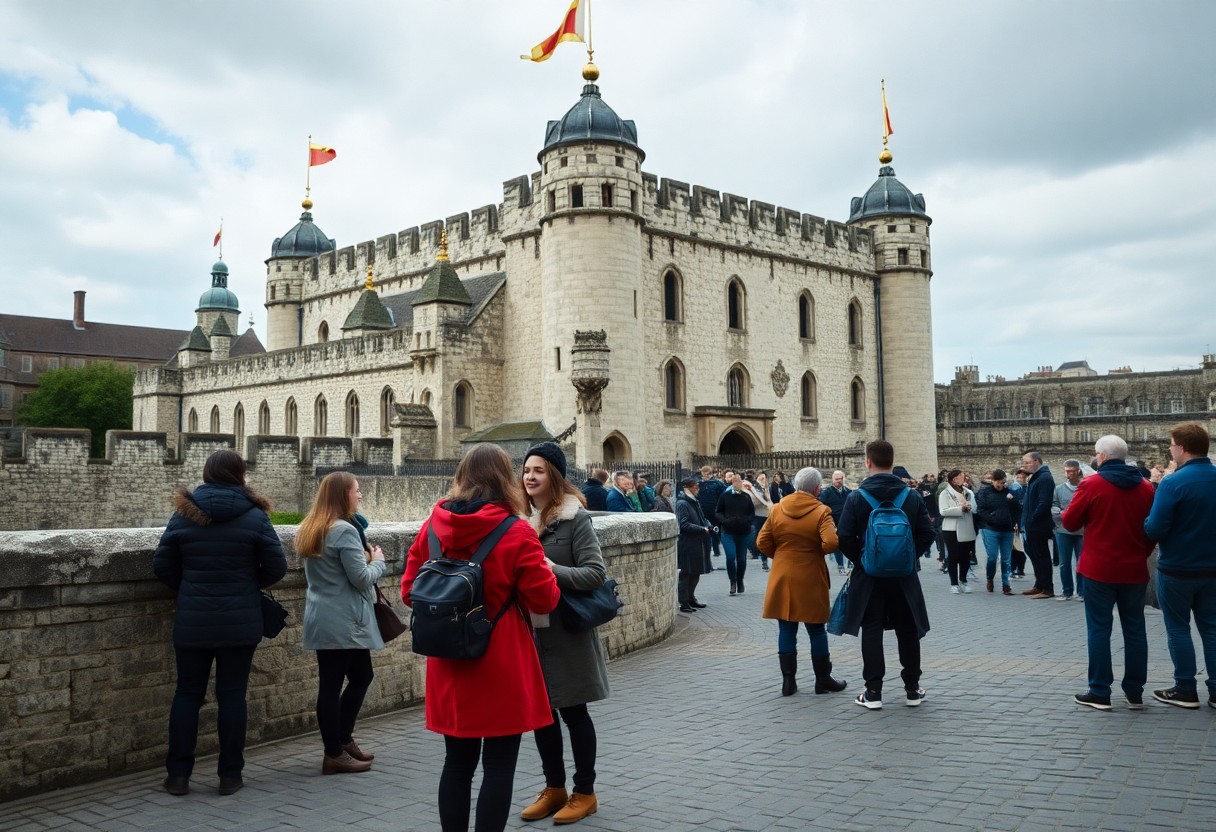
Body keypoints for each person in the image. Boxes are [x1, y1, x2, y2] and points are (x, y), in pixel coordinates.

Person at [401, 444, 560, 832]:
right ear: (505, 479)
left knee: (456, 764)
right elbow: (544, 599)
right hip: (501, 658)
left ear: (462, 476)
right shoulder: (516, 531)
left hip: (449, 661)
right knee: (499, 766)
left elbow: (410, 591)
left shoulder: (433, 526)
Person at [153, 449, 287, 797]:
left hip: (193, 619)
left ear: (207, 474)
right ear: (240, 475)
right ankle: (229, 775)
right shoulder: (255, 516)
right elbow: (277, 567)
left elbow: (162, 565)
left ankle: (178, 776)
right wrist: (246, 585)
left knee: (187, 694)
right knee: (232, 696)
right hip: (239, 622)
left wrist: (189, 587)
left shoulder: (184, 513)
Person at [518, 442, 608, 825]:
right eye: (526, 470)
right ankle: (553, 788)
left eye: (538, 470)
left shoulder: (575, 519)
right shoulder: (518, 521)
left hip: (567, 631)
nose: (530, 476)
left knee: (574, 712)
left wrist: (550, 569)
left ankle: (584, 792)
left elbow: (595, 573)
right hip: (531, 632)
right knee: (543, 715)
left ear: (553, 476)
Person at [297, 471, 387, 775]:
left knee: (360, 675)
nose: (360, 495)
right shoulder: (344, 530)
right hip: (343, 619)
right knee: (333, 685)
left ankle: (343, 740)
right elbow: (361, 578)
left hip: (323, 615)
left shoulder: (312, 527)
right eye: (356, 490)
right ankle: (333, 753)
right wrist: (378, 560)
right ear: (342, 495)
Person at [836, 440, 934, 710]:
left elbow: (843, 537)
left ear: (868, 462)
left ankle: (873, 692)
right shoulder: (911, 496)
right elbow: (927, 533)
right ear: (892, 461)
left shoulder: (856, 497)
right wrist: (908, 557)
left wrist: (863, 560)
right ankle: (912, 689)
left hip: (869, 577)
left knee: (872, 629)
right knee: (907, 630)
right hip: (904, 576)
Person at [1061, 435, 1156, 710]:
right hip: (1134, 568)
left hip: (1098, 568)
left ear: (1100, 456)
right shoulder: (1145, 487)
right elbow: (1152, 528)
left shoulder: (1091, 484)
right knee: (1135, 629)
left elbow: (1070, 522)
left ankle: (1100, 690)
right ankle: (1135, 692)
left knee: (1099, 629)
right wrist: (1141, 552)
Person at [1144, 422, 1216, 709]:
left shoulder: (1173, 482)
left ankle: (1185, 688)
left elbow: (1155, 528)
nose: (1170, 449)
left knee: (1178, 628)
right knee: (1211, 629)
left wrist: (1146, 522)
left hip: (1178, 568)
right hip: (1213, 568)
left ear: (1182, 448)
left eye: (1172, 445)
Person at [757, 467, 847, 696]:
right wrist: (812, 552)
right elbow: (831, 543)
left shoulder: (777, 508)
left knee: (786, 628)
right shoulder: (821, 511)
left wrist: (781, 556)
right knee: (816, 629)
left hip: (782, 573)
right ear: (817, 489)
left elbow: (762, 542)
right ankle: (822, 680)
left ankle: (788, 682)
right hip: (810, 574)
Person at [973, 469, 1020, 595]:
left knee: (1006, 559)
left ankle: (1006, 585)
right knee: (992, 557)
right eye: (997, 482)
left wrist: (1016, 523)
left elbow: (1017, 509)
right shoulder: (984, 493)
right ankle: (990, 578)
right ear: (992, 481)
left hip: (1007, 530)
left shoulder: (1010, 492)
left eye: (1002, 482)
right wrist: (992, 519)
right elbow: (981, 511)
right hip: (990, 529)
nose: (1000, 485)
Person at [1020, 451, 1057, 599]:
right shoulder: (1036, 477)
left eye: (1027, 462)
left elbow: (1044, 503)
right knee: (1035, 556)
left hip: (1038, 525)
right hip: (1031, 524)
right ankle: (1039, 585)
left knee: (1042, 556)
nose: (1024, 465)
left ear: (1037, 461)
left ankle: (1047, 589)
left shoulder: (1044, 478)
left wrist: (1033, 518)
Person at [675, 477, 713, 613]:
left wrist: (707, 524)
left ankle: (691, 598)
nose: (697, 489)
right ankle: (683, 601)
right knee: (686, 573)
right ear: (687, 488)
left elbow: (702, 518)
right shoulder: (682, 503)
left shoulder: (694, 502)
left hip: (697, 542)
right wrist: (702, 529)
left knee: (696, 572)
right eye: (695, 487)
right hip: (687, 543)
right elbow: (683, 524)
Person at [715, 471, 755, 596]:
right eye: (736, 482)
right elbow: (718, 511)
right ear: (732, 483)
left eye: (740, 482)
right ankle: (732, 581)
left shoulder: (746, 497)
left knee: (741, 559)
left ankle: (740, 580)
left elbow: (751, 513)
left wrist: (747, 521)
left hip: (743, 532)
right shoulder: (725, 496)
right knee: (731, 556)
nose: (738, 484)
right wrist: (725, 521)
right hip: (728, 532)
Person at [938, 469, 977, 594]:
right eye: (961, 476)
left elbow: (975, 508)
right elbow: (943, 511)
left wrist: (970, 506)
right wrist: (960, 509)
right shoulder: (945, 493)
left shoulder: (968, 492)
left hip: (966, 527)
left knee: (965, 556)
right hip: (951, 528)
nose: (963, 478)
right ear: (954, 479)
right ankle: (954, 584)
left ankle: (963, 581)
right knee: (953, 556)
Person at [1052, 460, 1086, 601]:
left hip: (1082, 531)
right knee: (1064, 562)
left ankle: (1082, 592)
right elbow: (1054, 505)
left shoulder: (1085, 487)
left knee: (1081, 562)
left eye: (1071, 471)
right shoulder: (1059, 489)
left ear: (1078, 471)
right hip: (1063, 530)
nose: (1068, 474)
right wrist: (1059, 513)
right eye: (1066, 471)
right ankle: (1067, 591)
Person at [819, 470, 852, 576]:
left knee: (849, 541)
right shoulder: (826, 493)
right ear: (832, 480)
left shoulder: (848, 492)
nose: (839, 481)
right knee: (837, 543)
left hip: (846, 521)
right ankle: (840, 565)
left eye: (841, 479)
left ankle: (850, 561)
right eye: (837, 479)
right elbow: (822, 507)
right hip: (833, 522)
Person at [743, 472, 773, 572]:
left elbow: (772, 501)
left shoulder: (769, 488)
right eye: (760, 478)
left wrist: (766, 493)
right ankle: (758, 554)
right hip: (758, 516)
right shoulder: (753, 489)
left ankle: (764, 559)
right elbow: (753, 502)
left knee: (766, 537)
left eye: (763, 478)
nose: (762, 480)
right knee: (758, 536)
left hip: (768, 516)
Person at [696, 466, 727, 561]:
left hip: (713, 511)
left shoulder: (717, 484)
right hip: (704, 511)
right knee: (708, 531)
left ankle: (716, 550)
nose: (705, 475)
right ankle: (709, 550)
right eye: (704, 473)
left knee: (714, 531)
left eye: (707, 473)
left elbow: (723, 496)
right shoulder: (699, 484)